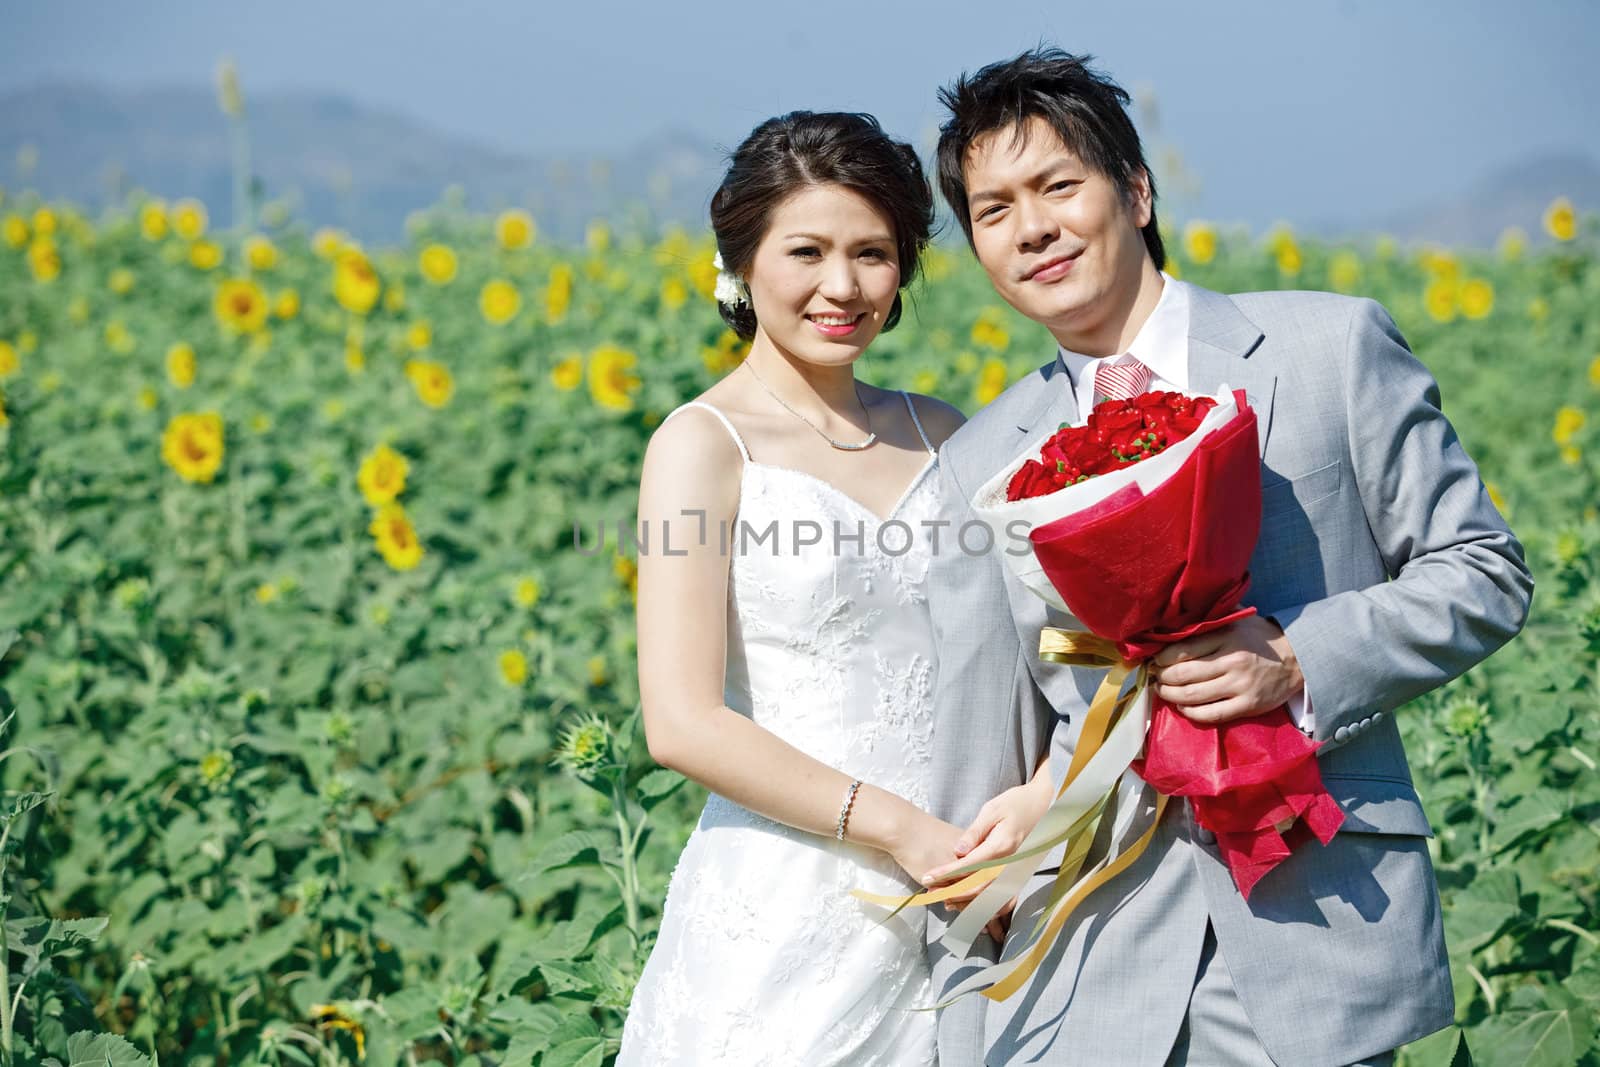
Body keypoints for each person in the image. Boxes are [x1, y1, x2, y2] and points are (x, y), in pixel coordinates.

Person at [920, 48, 1534, 1067]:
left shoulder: (1326, 350)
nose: (1030, 227)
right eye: (992, 210)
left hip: (1315, 919)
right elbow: (981, 755)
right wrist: (963, 997)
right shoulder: (980, 461)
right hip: (1087, 959)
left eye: (1057, 186)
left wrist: (1294, 659)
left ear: (1135, 189)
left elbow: (1483, 569)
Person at [617, 110, 967, 1065]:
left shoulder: (947, 431)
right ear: (742, 261)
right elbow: (681, 722)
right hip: (788, 904)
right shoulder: (699, 446)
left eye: (874, 253)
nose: (842, 287)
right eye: (806, 250)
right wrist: (898, 828)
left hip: (963, 896)